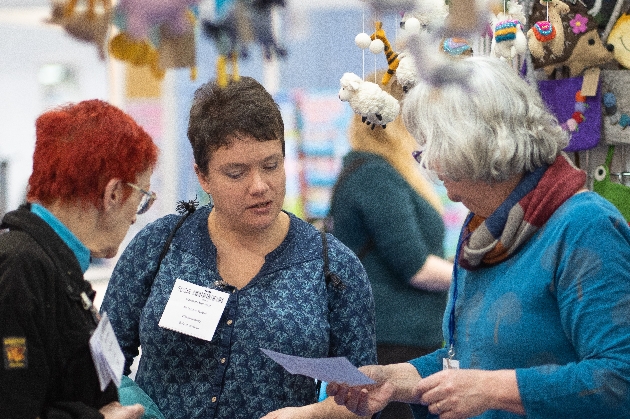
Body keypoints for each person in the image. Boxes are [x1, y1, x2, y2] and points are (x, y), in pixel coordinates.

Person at [326, 55, 630, 419]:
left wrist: (492, 390)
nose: (431, 166)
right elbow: (467, 361)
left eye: (431, 148)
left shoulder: (584, 227)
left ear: (472, 145)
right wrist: (395, 379)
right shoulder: (484, 231)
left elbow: (618, 380)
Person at [100, 76, 377, 419]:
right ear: (202, 177)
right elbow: (101, 361)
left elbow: (362, 398)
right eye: (236, 173)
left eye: (271, 165)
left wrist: (311, 415)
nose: (259, 186)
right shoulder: (159, 246)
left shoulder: (333, 266)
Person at [0, 99, 159, 419]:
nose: (133, 220)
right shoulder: (20, 269)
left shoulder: (55, 268)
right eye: (141, 200)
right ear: (113, 194)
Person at [328, 71, 453, 419]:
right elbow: (415, 266)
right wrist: (477, 273)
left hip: (405, 340)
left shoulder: (381, 171)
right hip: (393, 343)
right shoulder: (374, 174)